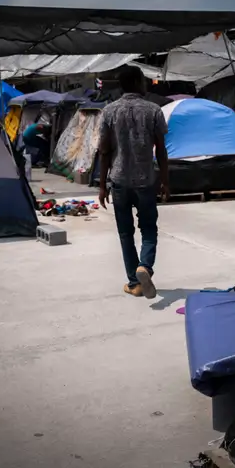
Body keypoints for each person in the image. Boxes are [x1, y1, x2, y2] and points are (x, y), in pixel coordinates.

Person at [98, 66, 170, 299]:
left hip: (119, 180)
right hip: (146, 180)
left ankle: (134, 283)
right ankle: (145, 267)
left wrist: (101, 186)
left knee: (125, 233)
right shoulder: (153, 110)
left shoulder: (109, 111)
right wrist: (165, 180)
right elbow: (161, 149)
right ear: (138, 82)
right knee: (148, 229)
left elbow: (104, 151)